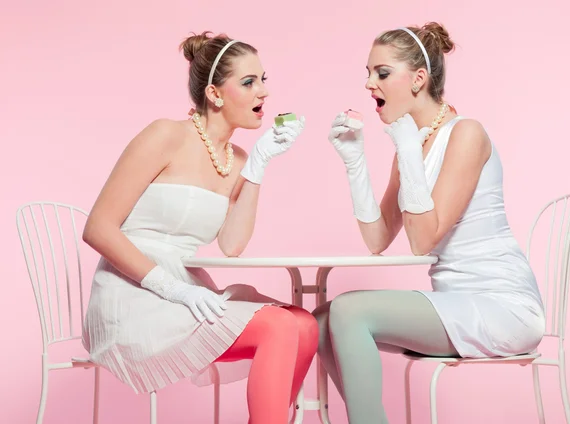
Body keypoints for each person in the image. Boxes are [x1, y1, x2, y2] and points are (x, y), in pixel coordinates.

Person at [313, 22, 545, 423]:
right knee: (321, 321)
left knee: (348, 312)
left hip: (501, 305)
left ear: (419, 79)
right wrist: (355, 163)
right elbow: (378, 237)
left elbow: (421, 240)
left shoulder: (467, 134)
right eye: (368, 73)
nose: (370, 84)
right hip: (455, 302)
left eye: (382, 73)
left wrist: (407, 149)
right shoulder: (412, 143)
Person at [82, 31, 318, 423]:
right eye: (249, 82)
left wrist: (258, 164)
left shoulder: (237, 159)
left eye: (263, 79)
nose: (264, 92)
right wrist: (170, 288)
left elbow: (232, 245)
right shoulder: (165, 135)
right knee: (278, 326)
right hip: (134, 295)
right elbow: (98, 228)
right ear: (215, 94)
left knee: (305, 324)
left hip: (189, 291)